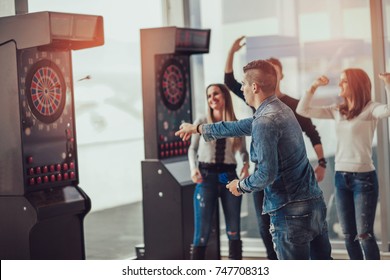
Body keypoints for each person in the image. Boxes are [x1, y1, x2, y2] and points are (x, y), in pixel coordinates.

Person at [176, 60, 332, 260]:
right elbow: (238, 126)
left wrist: (240, 186)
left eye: (243, 84)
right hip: (313, 203)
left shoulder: (265, 121)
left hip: (290, 210)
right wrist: (197, 128)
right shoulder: (281, 110)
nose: (241, 88)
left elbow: (266, 174)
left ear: (255, 87)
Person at [224, 36, 327, 259]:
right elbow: (230, 82)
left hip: (287, 190)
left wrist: (322, 162)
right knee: (268, 229)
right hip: (275, 188)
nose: (243, 88)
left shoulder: (286, 107)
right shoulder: (260, 106)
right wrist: (231, 51)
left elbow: (312, 132)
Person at [297, 69, 390, 260]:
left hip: (364, 179)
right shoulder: (338, 110)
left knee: (364, 235)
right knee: (348, 235)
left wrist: (388, 84)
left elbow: (388, 110)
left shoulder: (370, 109)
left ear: (355, 85)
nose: (339, 85)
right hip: (341, 178)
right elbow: (302, 110)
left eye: (344, 82)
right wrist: (313, 86)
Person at [188, 83, 250, 260]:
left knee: (233, 229)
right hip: (205, 176)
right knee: (202, 231)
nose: (212, 99)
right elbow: (192, 149)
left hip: (228, 176)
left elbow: (244, 152)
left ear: (224, 96)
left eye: (215, 94)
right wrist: (193, 169)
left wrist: (246, 164)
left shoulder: (236, 124)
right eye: (208, 96)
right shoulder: (201, 122)